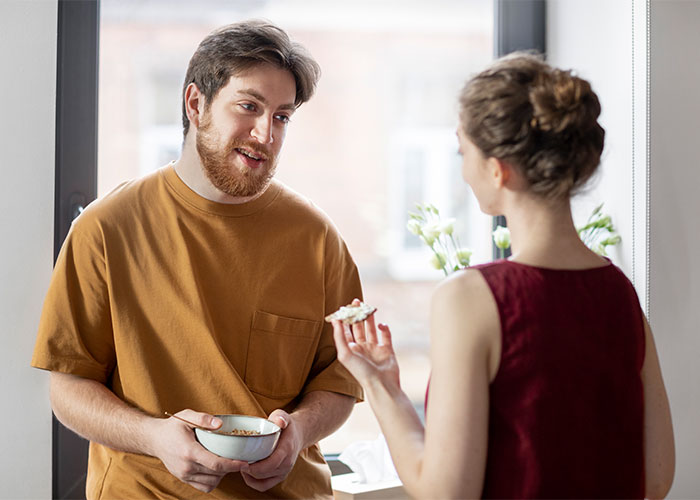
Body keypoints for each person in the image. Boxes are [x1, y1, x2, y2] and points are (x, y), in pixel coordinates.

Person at [31, 20, 364, 499]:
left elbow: (341, 380)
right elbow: (67, 389)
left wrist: (300, 432)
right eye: (249, 106)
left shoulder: (317, 238)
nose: (265, 134)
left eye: (282, 116)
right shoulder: (106, 229)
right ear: (196, 103)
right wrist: (154, 437)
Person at [332, 53, 675, 499]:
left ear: (498, 169)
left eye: (462, 151)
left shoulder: (472, 297)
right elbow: (657, 478)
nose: (462, 170)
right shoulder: (621, 294)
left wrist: (379, 385)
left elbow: (446, 493)